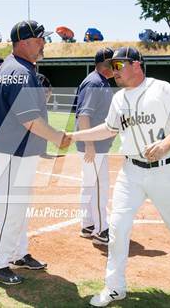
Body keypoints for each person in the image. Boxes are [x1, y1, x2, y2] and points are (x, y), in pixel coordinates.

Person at [70, 46, 170, 307]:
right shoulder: (118, 99)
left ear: (136, 65)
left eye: (119, 65)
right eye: (112, 66)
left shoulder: (161, 89)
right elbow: (108, 129)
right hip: (130, 171)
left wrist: (165, 144)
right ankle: (115, 287)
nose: (113, 71)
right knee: (118, 228)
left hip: (164, 171)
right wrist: (75, 136)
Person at [0, 20, 70, 285]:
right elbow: (29, 119)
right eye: (39, 39)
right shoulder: (17, 71)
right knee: (10, 209)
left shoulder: (22, 68)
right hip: (9, 151)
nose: (43, 43)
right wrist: (57, 137)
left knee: (19, 208)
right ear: (22, 42)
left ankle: (17, 253)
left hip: (19, 151)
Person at [74, 47, 115, 246]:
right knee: (100, 186)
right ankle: (101, 230)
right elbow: (84, 115)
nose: (118, 66)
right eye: (114, 63)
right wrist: (89, 144)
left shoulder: (102, 81)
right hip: (94, 145)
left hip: (95, 144)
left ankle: (88, 224)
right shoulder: (94, 82)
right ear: (104, 63)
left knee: (90, 185)